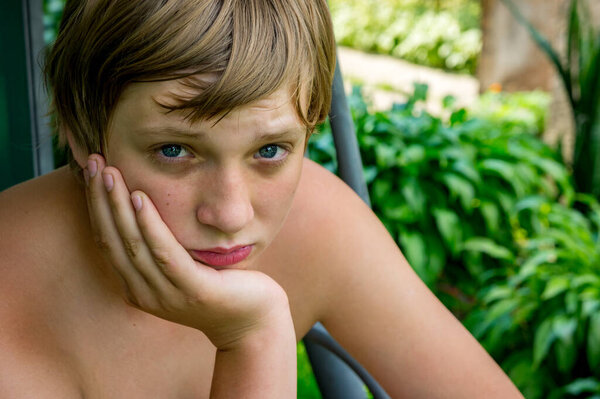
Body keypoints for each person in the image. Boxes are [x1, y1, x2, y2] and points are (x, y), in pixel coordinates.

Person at [0, 0, 524, 397]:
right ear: (79, 131)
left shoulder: (318, 224)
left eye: (270, 149)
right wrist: (254, 342)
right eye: (174, 149)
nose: (231, 214)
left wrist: (256, 330)